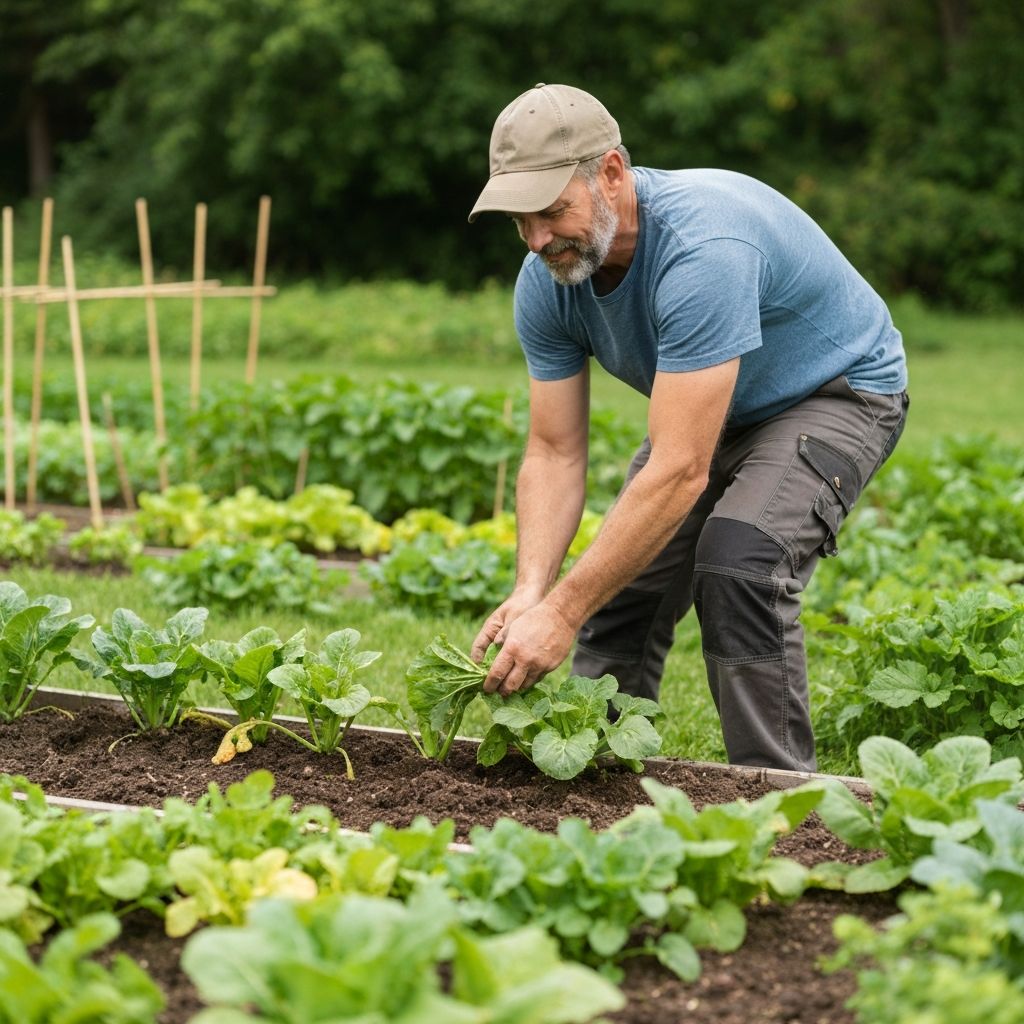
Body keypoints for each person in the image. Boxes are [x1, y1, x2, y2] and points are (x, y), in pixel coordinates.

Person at [467, 83, 908, 771]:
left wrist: (561, 613)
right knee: (620, 590)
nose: (537, 239)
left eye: (553, 211)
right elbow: (553, 452)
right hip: (712, 404)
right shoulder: (547, 281)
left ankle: (775, 800)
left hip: (836, 390)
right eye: (521, 219)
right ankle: (590, 775)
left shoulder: (703, 248)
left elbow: (678, 468)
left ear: (611, 173)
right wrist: (534, 591)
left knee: (741, 562)